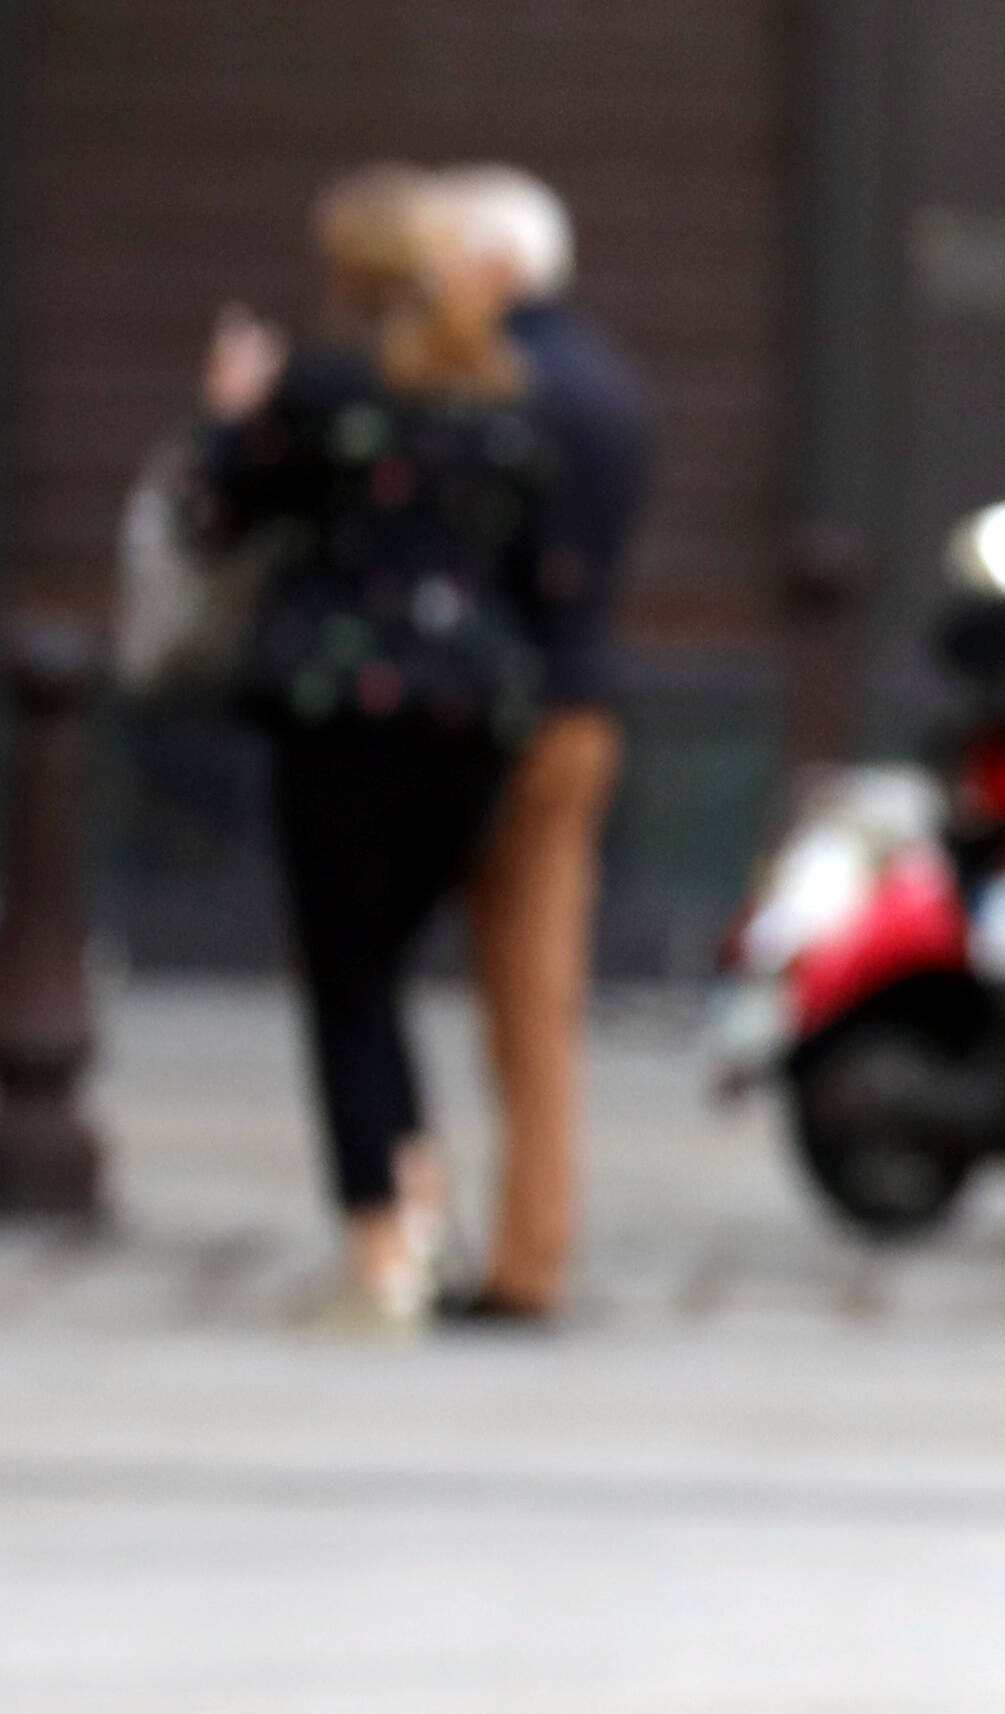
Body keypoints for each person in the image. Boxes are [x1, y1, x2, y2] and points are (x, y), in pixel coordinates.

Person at [198, 167, 554, 1330]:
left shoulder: (321, 389)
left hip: (345, 706)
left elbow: (223, 515)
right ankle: (421, 1204)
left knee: (347, 977)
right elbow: (542, 563)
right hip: (474, 713)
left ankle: (382, 1242)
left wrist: (231, 414)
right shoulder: (499, 397)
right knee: (385, 971)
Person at [432, 166, 651, 1325]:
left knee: (515, 989)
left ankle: (498, 1250)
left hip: (504, 710)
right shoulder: (606, 378)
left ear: (501, 266)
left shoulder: (503, 385)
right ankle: (530, 1243)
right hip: (581, 694)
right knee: (540, 991)